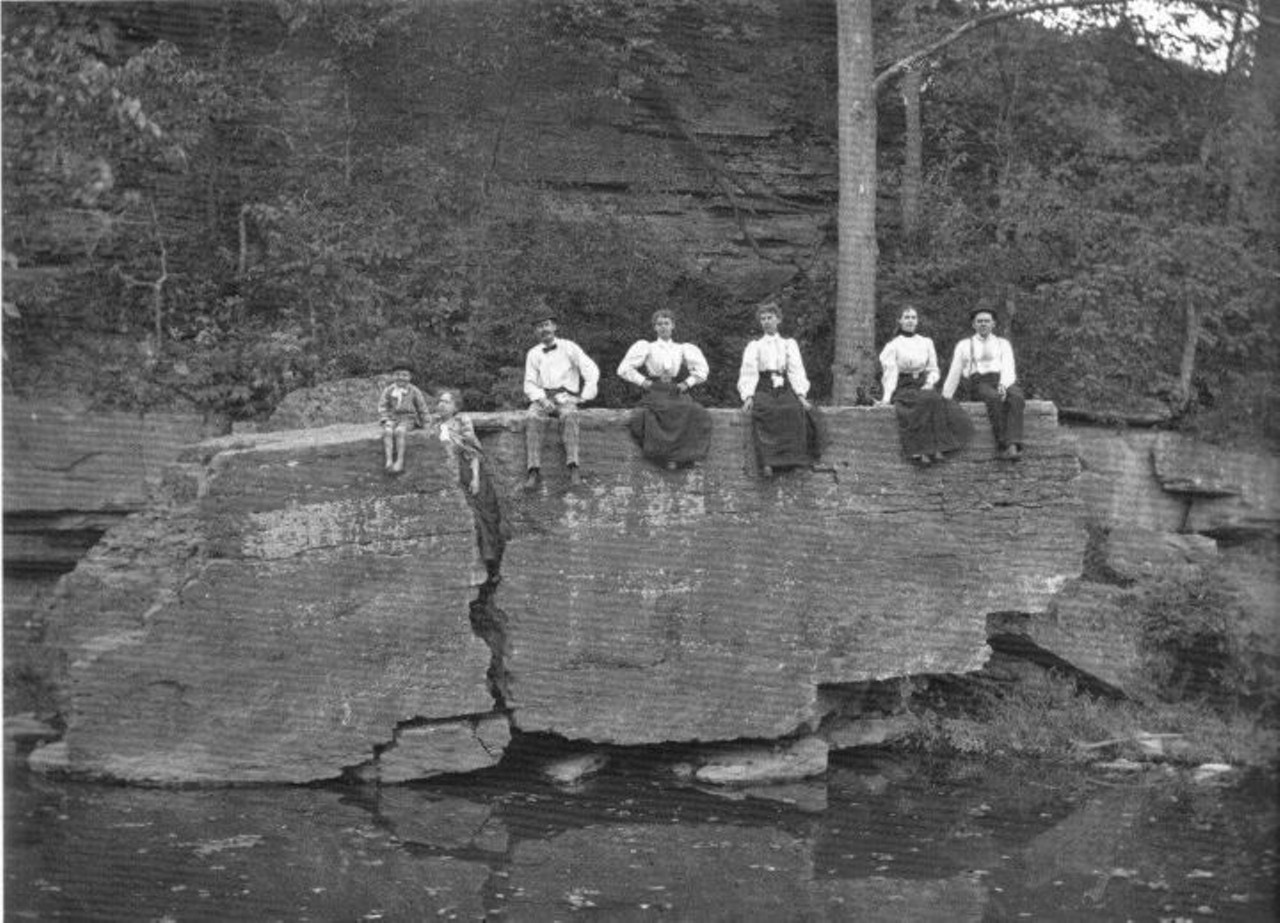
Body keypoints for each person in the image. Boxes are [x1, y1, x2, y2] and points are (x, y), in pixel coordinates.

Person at [876, 307, 974, 466]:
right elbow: (890, 374)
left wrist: (929, 382)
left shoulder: (926, 342)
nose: (910, 320)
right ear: (899, 321)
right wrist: (887, 397)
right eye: (906, 317)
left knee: (935, 398)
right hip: (903, 386)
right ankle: (920, 450)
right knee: (925, 400)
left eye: (913, 317)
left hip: (922, 384)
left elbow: (933, 369)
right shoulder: (893, 345)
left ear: (917, 321)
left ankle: (939, 447)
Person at [617, 309, 713, 469]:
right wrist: (643, 381)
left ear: (673, 326)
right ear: (654, 327)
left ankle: (687, 455)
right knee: (655, 413)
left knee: (696, 411)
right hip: (655, 389)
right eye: (659, 324)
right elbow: (624, 369)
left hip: (675, 389)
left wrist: (687, 383)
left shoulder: (682, 348)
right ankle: (666, 457)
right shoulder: (647, 347)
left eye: (666, 323)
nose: (663, 327)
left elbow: (702, 370)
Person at [737, 299, 820, 478]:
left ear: (778, 320)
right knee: (765, 410)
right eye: (763, 319)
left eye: (770, 317)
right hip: (764, 385)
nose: (766, 321)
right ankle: (769, 462)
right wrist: (748, 396)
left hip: (783, 385)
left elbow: (796, 370)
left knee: (793, 409)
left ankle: (794, 460)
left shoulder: (788, 344)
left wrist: (801, 395)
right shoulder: (755, 346)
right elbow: (749, 371)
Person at [436, 389, 510, 591]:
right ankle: (478, 570)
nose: (441, 405)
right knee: (470, 520)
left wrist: (476, 478)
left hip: (471, 473)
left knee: (484, 519)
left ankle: (493, 567)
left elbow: (473, 451)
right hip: (452, 473)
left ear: (455, 406)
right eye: (440, 402)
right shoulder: (435, 424)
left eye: (446, 402)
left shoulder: (462, 421)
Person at [522, 310, 600, 489]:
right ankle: (533, 470)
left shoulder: (569, 347)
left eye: (547, 325)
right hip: (543, 399)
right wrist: (542, 400)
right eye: (539, 327)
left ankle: (573, 468)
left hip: (565, 397)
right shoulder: (533, 353)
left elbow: (591, 370)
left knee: (570, 417)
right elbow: (529, 383)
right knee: (532, 418)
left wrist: (584, 397)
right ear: (535, 331)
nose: (544, 329)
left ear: (554, 327)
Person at [941, 307, 1026, 460]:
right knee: (993, 398)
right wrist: (945, 397)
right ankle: (1003, 444)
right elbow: (954, 372)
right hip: (979, 383)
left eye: (987, 321)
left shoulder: (1003, 343)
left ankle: (1013, 444)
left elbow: (1008, 366)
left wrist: (1004, 385)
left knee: (1017, 396)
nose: (983, 324)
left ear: (993, 324)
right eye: (979, 321)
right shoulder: (964, 345)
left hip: (1002, 379)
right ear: (973, 324)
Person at [377, 364, 430, 474]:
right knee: (387, 431)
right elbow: (383, 406)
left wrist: (426, 423)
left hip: (408, 419)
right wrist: (385, 418)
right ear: (393, 376)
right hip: (392, 418)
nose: (401, 377)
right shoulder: (389, 390)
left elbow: (422, 407)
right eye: (397, 374)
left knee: (399, 431)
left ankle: (400, 461)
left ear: (410, 377)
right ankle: (389, 460)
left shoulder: (414, 391)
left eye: (404, 375)